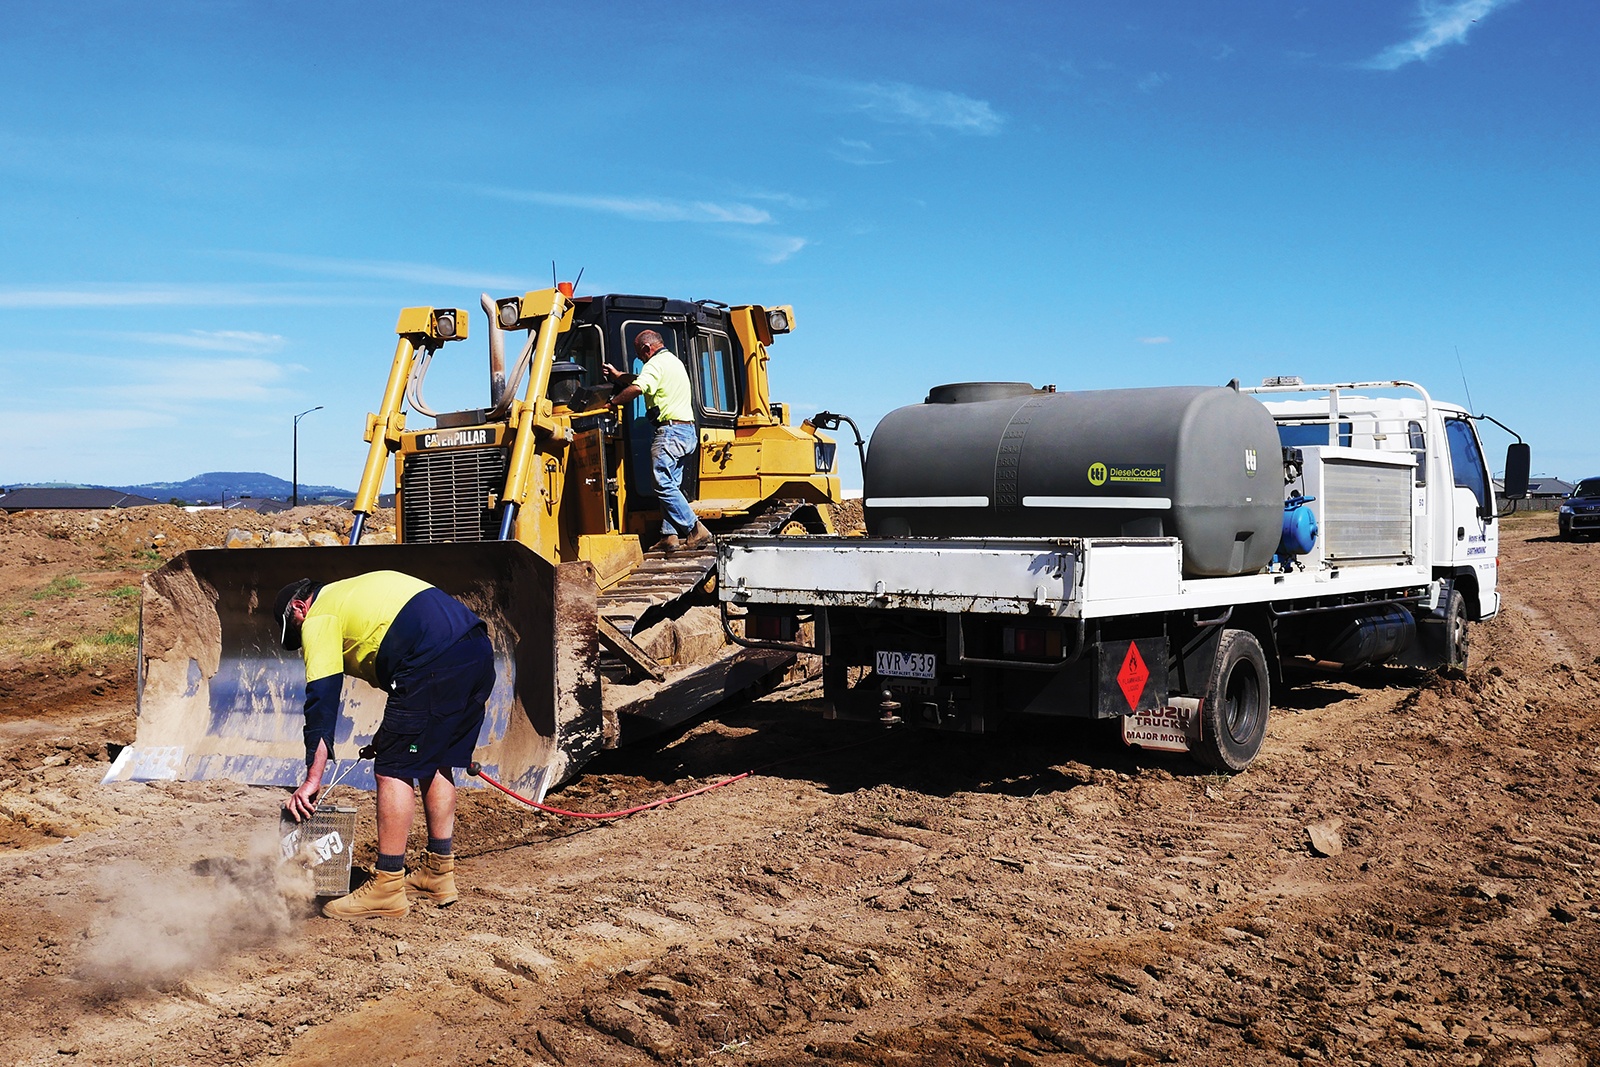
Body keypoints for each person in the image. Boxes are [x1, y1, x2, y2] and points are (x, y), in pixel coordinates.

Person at [274, 571, 494, 920]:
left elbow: (321, 703)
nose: (303, 642)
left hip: (432, 660)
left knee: (393, 770)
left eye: (297, 632)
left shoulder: (319, 616)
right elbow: (409, 695)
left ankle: (387, 886)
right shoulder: (354, 594)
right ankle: (439, 873)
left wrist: (312, 779)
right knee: (437, 762)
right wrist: (387, 737)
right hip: (477, 651)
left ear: (300, 606)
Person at [603, 329, 712, 554]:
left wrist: (612, 403)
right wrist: (618, 375)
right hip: (687, 432)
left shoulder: (653, 364)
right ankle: (669, 535)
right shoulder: (673, 362)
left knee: (662, 484)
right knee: (672, 485)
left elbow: (638, 387)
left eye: (640, 355)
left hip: (670, 433)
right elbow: (640, 380)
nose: (641, 359)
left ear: (646, 349)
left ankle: (695, 529)